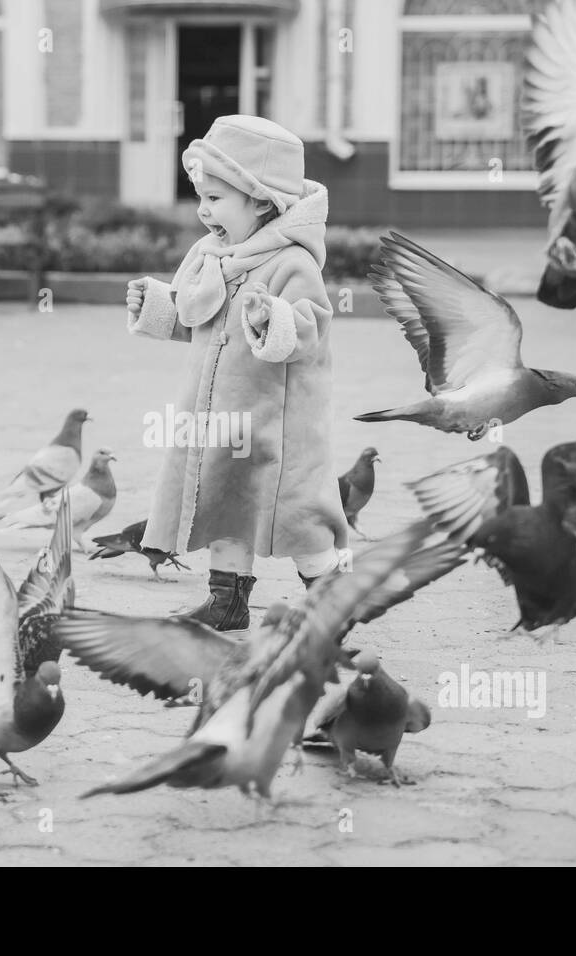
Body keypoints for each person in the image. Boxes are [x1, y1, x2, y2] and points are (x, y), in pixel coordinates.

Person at [125, 114, 347, 632]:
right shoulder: (211, 257)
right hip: (216, 417)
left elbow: (312, 328)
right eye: (200, 197)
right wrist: (159, 305)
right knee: (222, 501)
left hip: (276, 422)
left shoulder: (293, 263)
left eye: (217, 199)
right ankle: (227, 603)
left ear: (262, 200)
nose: (203, 211)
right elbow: (195, 320)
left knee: (297, 515)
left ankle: (332, 600)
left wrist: (277, 319)